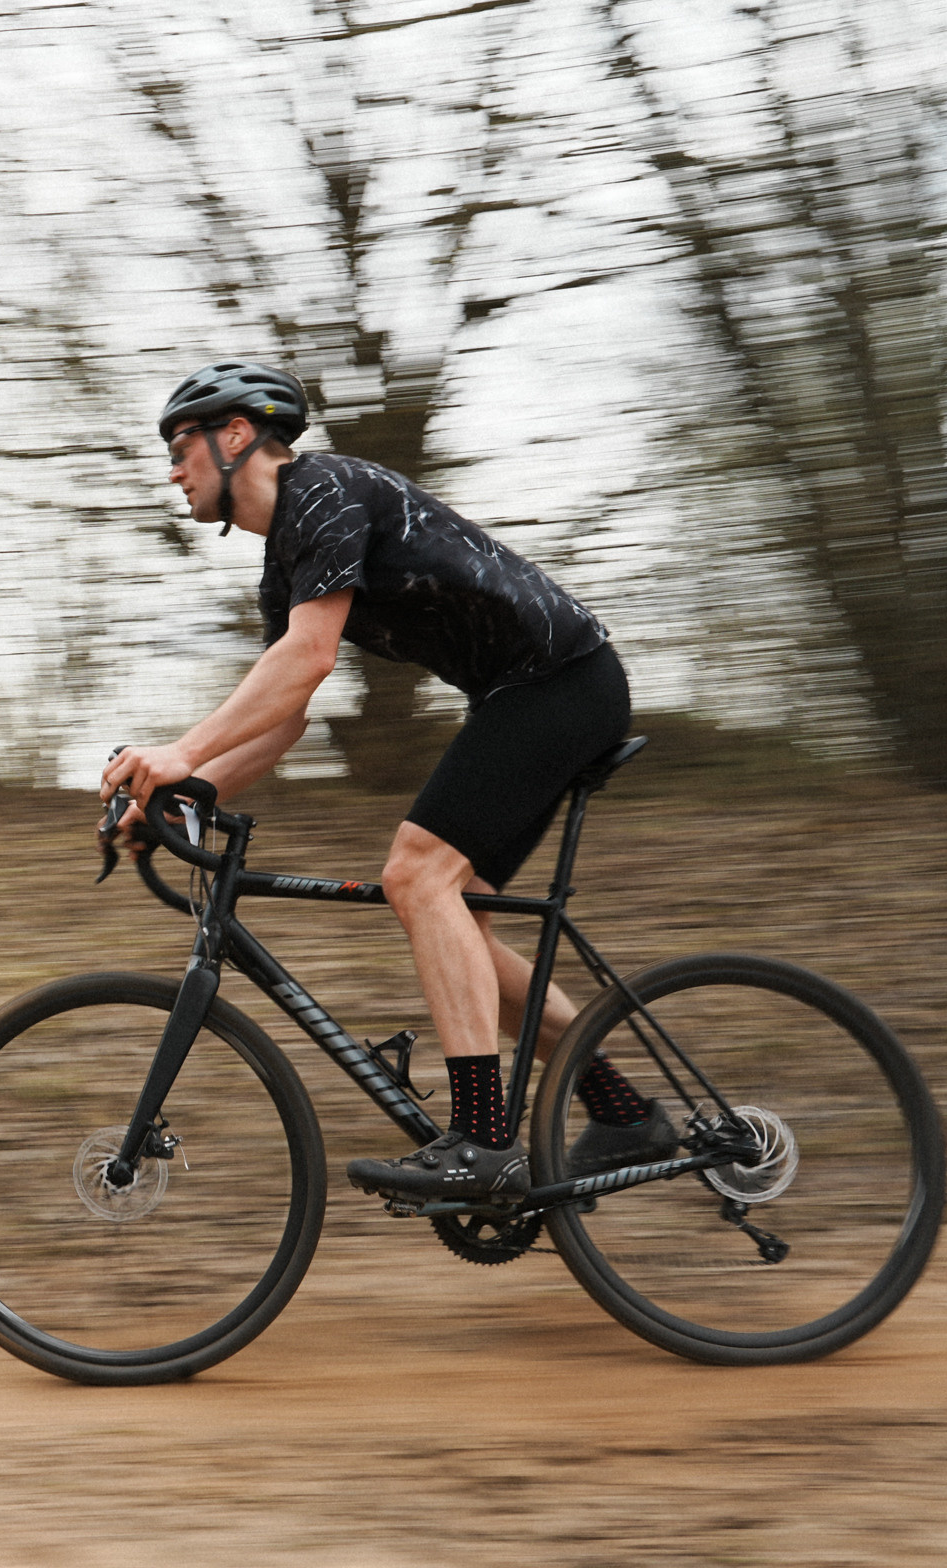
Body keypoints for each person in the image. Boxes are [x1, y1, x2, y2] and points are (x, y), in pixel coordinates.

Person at [100, 360, 675, 1202]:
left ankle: (483, 1138)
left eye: (181, 445)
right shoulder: (285, 558)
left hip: (561, 683)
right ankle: (624, 1114)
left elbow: (308, 659)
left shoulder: (324, 491)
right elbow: (288, 712)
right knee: (459, 925)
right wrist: (185, 797)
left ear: (235, 439)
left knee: (417, 873)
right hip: (526, 696)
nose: (172, 468)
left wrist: (181, 754)